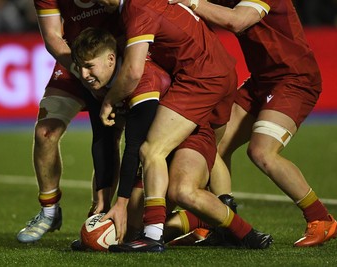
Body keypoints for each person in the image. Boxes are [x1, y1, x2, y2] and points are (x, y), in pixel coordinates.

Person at [91, 0, 273, 252]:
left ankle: (152, 236)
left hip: (200, 78)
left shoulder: (136, 8)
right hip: (220, 74)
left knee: (151, 150)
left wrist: (109, 101)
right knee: (184, 189)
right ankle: (243, 232)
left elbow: (133, 72)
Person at [169, 0, 337, 247]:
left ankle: (321, 219)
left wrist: (192, 2)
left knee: (262, 152)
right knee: (213, 146)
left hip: (294, 79)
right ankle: (218, 222)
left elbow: (236, 20)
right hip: (261, 81)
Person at [16, 0, 124, 243]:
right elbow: (53, 37)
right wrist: (82, 74)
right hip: (74, 63)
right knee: (45, 132)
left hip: (113, 58)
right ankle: (49, 211)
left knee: (111, 134)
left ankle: (99, 213)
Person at [70, 26, 171, 244]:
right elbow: (102, 139)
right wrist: (102, 198)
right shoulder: (98, 83)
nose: (84, 75)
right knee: (123, 229)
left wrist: (122, 202)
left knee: (135, 224)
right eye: (80, 67)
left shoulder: (143, 81)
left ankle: (197, 223)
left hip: (179, 144)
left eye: (89, 66)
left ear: (110, 59)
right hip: (150, 150)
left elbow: (133, 146)